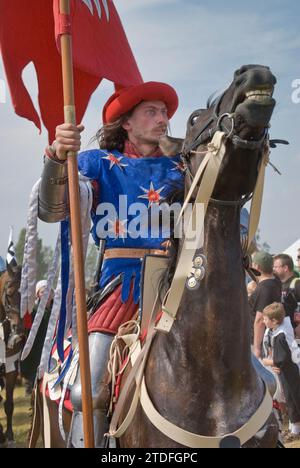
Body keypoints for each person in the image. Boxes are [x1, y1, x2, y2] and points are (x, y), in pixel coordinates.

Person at [38, 81, 183, 447]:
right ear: (127, 123)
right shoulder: (98, 164)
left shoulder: (183, 166)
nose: (163, 119)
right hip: (121, 289)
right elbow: (51, 209)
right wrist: (58, 156)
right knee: (93, 376)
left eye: (164, 112)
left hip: (179, 287)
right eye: (151, 111)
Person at [262, 302, 300, 440]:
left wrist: (268, 362)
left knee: (293, 399)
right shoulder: (283, 325)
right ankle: (293, 429)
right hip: (289, 370)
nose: (263, 321)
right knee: (291, 399)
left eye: (266, 319)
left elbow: (282, 358)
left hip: (291, 372)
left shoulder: (280, 336)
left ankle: (295, 431)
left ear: (274, 321)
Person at [20, 280, 53, 395]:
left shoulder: (57, 309)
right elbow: (26, 325)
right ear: (37, 294)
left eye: (48, 291)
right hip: (37, 347)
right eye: (42, 291)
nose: (46, 294)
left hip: (52, 346)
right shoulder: (33, 310)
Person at [249, 251, 282, 359]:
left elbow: (260, 321)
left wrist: (257, 348)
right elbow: (260, 278)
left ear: (257, 267)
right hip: (267, 337)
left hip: (260, 341)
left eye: (253, 264)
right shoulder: (275, 281)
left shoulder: (265, 289)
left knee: (262, 374)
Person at [273, 254, 300, 330]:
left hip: (295, 333)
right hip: (282, 331)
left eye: (276, 267)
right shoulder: (277, 284)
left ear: (285, 268)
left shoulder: (297, 283)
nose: (273, 269)